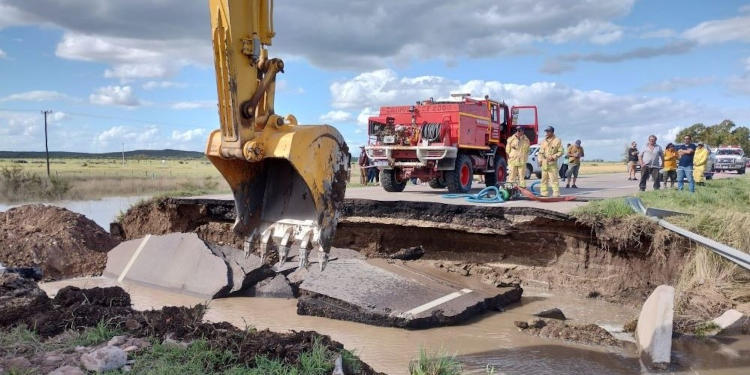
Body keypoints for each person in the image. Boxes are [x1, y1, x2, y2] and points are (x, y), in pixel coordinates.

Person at [537, 126, 563, 197]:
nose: (547, 133)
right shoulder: (543, 141)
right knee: (544, 180)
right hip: (544, 163)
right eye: (546, 131)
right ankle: (544, 193)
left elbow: (561, 152)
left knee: (553, 179)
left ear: (552, 132)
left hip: (552, 164)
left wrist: (553, 157)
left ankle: (556, 193)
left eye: (548, 131)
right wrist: (539, 160)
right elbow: (540, 153)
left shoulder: (557, 140)